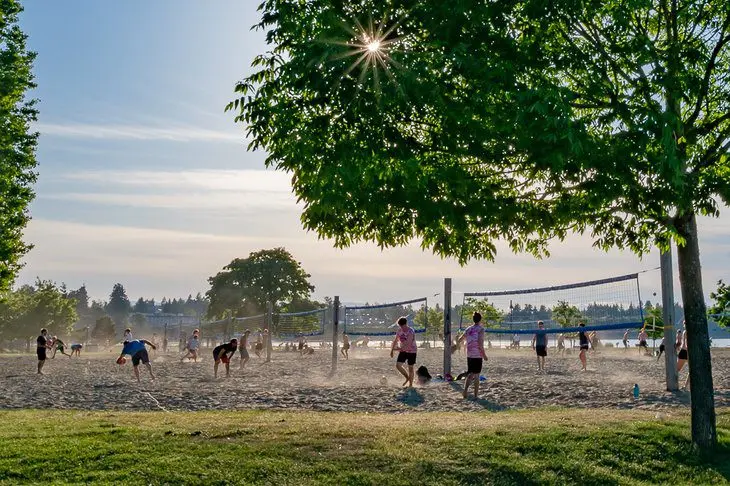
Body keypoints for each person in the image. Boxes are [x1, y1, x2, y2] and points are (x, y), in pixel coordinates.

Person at [458, 312, 487, 399]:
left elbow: (460, 339)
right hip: (477, 354)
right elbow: (480, 343)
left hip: (469, 354)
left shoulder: (468, 329)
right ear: (480, 319)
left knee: (470, 374)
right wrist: (484, 355)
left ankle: (465, 391)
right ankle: (475, 396)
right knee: (477, 375)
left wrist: (463, 342)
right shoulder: (481, 329)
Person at [390, 316, 417, 387]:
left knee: (410, 368)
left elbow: (408, 345)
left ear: (406, 324)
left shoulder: (411, 331)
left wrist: (397, 349)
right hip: (403, 350)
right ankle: (407, 378)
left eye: (402, 325)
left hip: (412, 351)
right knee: (398, 365)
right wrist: (392, 350)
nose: (401, 327)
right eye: (400, 326)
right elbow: (396, 340)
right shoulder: (399, 330)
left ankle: (410, 385)